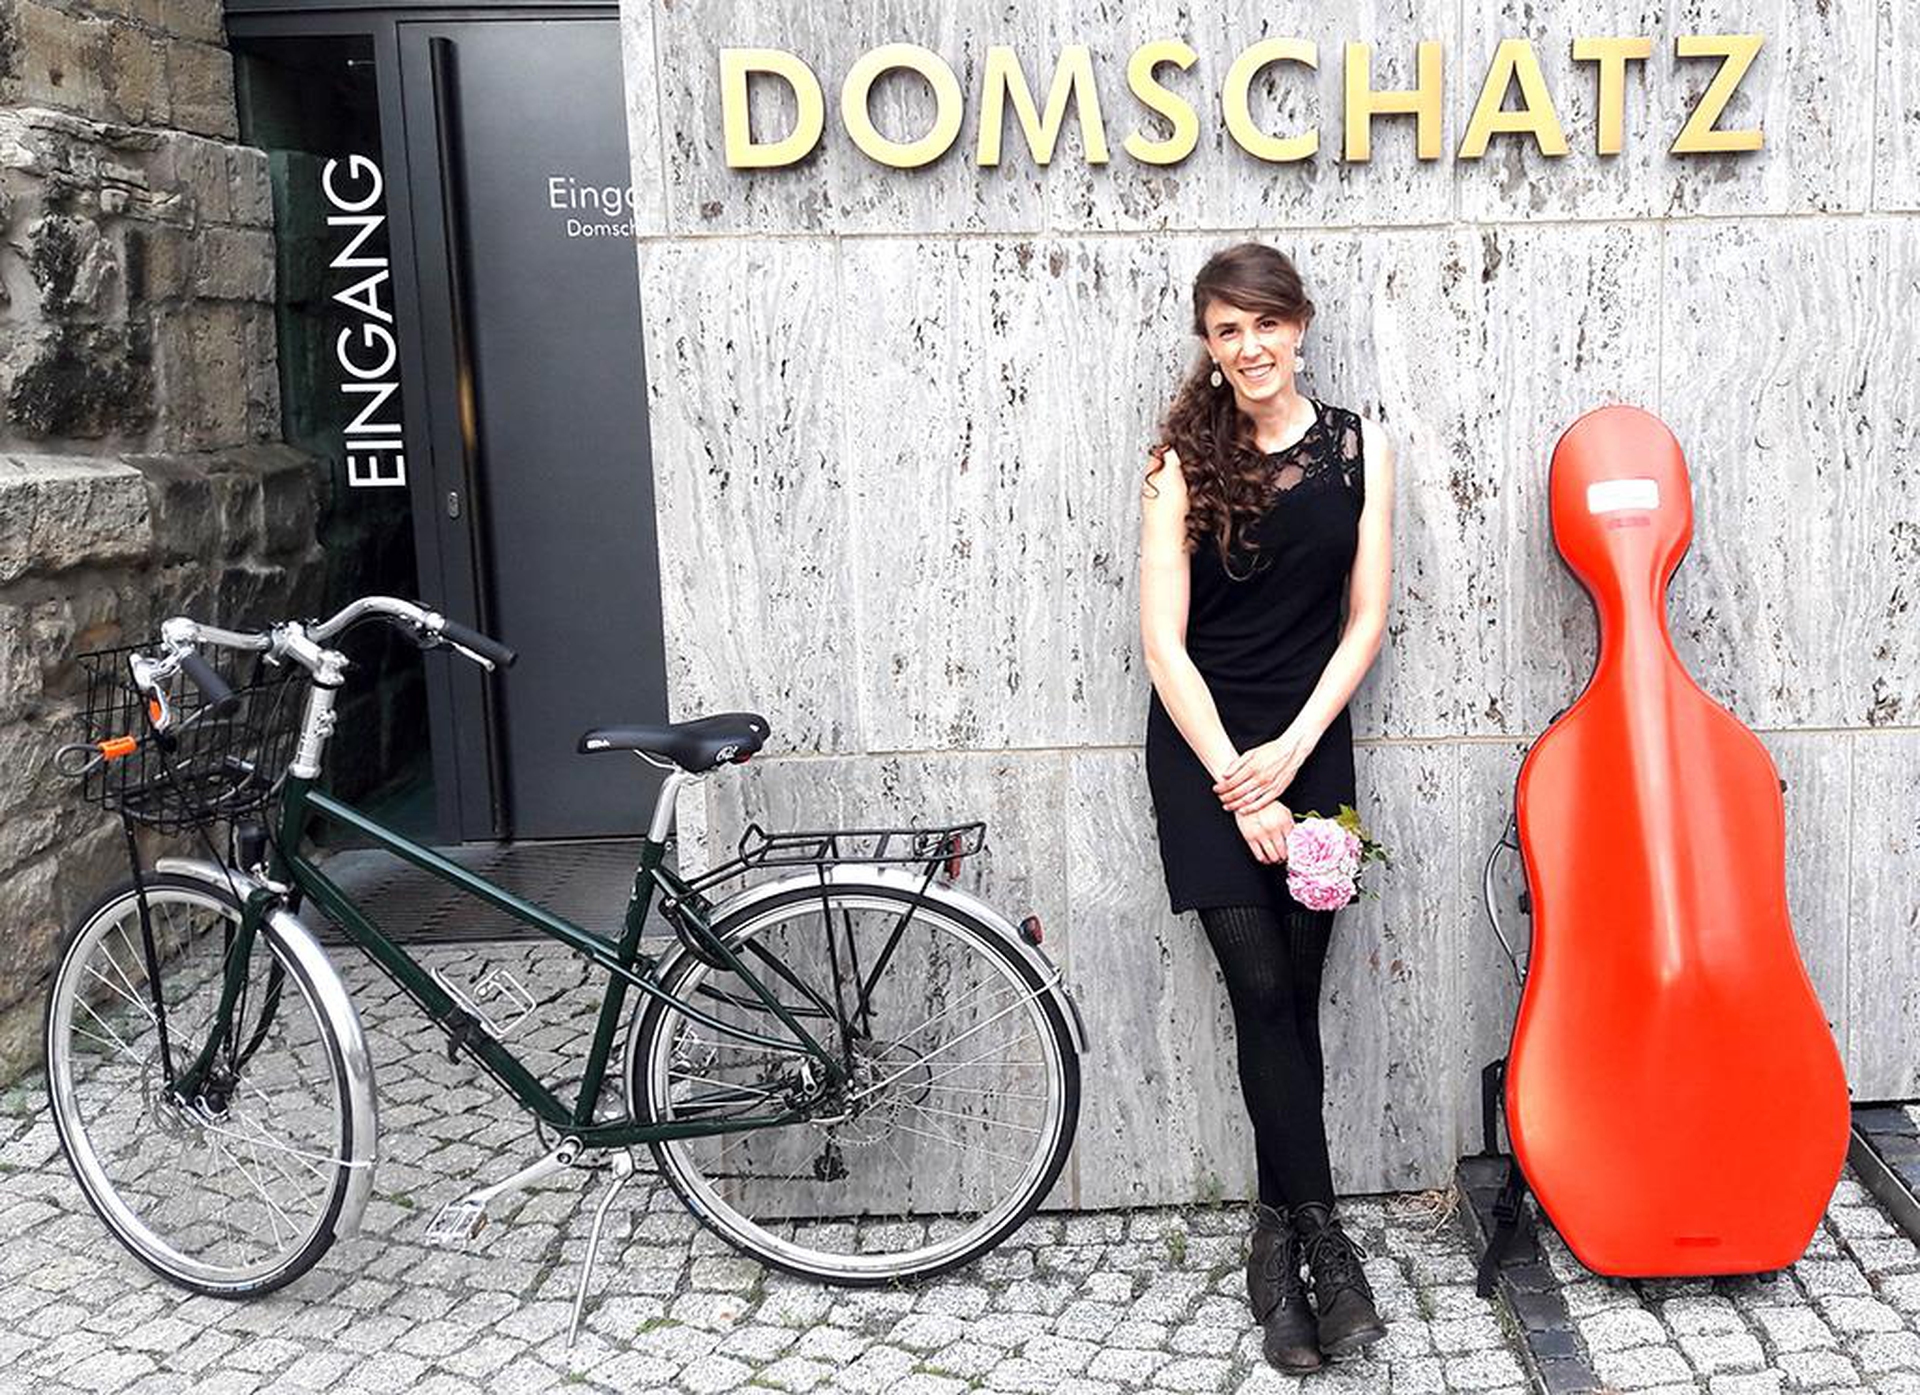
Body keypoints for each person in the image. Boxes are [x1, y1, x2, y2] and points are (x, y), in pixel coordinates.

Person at [1137, 242, 1395, 1371]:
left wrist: (1292, 753)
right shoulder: (1178, 461)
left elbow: (1367, 620)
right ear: (1209, 342)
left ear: (1300, 326)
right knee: (1258, 989)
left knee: (1297, 995)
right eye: (1225, 330)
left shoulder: (1360, 448)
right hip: (1204, 753)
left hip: (1313, 746)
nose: (1247, 348)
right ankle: (1328, 1247)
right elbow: (1160, 641)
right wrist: (1239, 776)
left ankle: (1270, 1242)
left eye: (1264, 325)